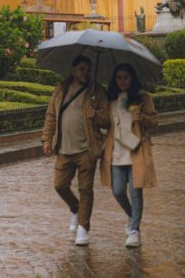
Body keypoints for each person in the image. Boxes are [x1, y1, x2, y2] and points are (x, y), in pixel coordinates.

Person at [42, 55, 110, 246]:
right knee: (59, 185)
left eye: (87, 69)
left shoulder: (97, 91)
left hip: (87, 149)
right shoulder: (61, 89)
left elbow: (108, 119)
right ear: (73, 70)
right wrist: (47, 138)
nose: (85, 72)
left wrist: (95, 115)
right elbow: (51, 115)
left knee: (85, 189)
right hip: (64, 148)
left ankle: (83, 228)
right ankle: (75, 208)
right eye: (81, 69)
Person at [101, 63, 159, 248]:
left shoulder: (142, 98)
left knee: (135, 191)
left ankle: (134, 230)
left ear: (132, 78)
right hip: (116, 151)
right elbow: (105, 123)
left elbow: (154, 120)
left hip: (135, 150)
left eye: (126, 77)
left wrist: (142, 118)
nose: (122, 81)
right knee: (117, 190)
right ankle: (132, 216)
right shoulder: (110, 98)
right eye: (119, 77)